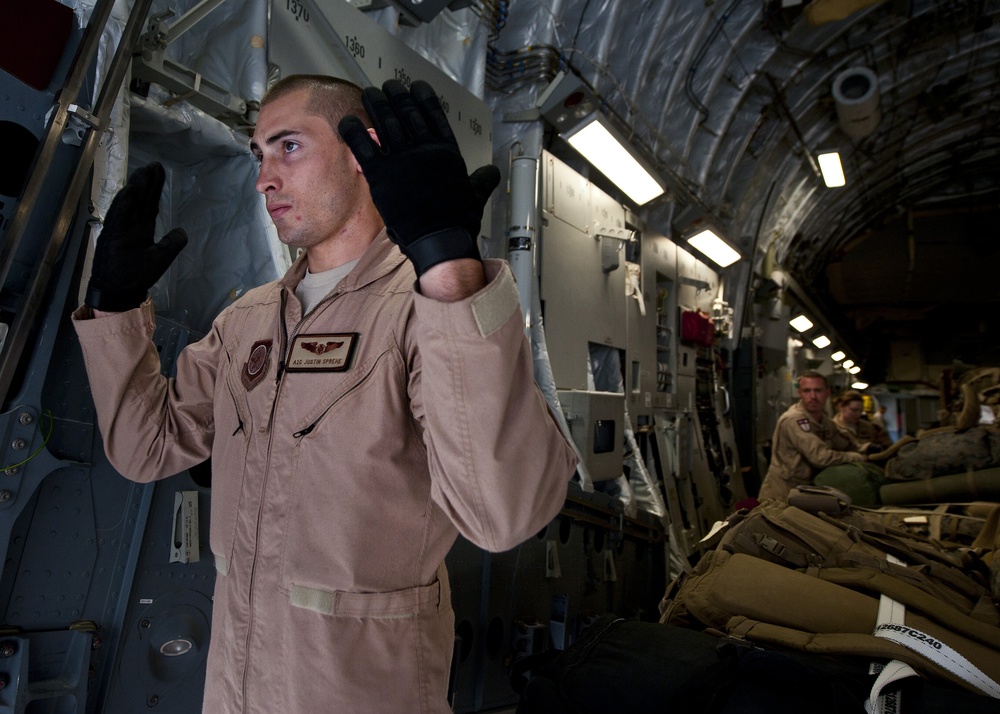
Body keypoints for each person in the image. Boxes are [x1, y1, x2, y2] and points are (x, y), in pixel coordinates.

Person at [72, 75, 578, 713]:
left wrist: (448, 264)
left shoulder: (428, 308)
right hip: (236, 689)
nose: (262, 179)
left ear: (362, 152)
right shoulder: (248, 321)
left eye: (287, 147)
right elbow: (145, 448)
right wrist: (115, 310)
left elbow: (500, 516)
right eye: (259, 155)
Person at [758, 371, 867, 501]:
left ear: (827, 392)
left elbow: (842, 443)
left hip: (805, 489)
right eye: (807, 391)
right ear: (799, 393)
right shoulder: (794, 420)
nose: (813, 396)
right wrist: (856, 457)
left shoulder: (824, 420)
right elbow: (820, 457)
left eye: (818, 390)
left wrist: (865, 449)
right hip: (783, 492)